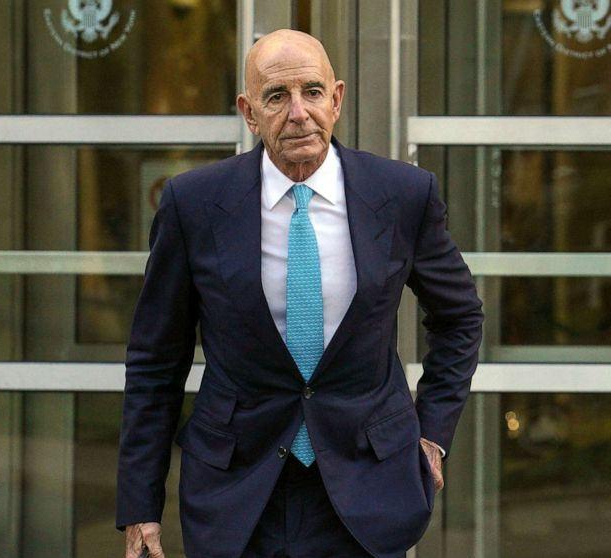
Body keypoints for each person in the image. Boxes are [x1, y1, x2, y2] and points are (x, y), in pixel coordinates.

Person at [116, 28, 484, 558]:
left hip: (368, 488)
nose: (298, 113)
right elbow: (156, 360)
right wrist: (140, 505)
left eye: (312, 92)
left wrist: (432, 434)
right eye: (276, 97)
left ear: (336, 99)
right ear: (249, 112)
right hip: (236, 493)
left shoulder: (403, 195)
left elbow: (460, 317)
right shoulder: (193, 205)